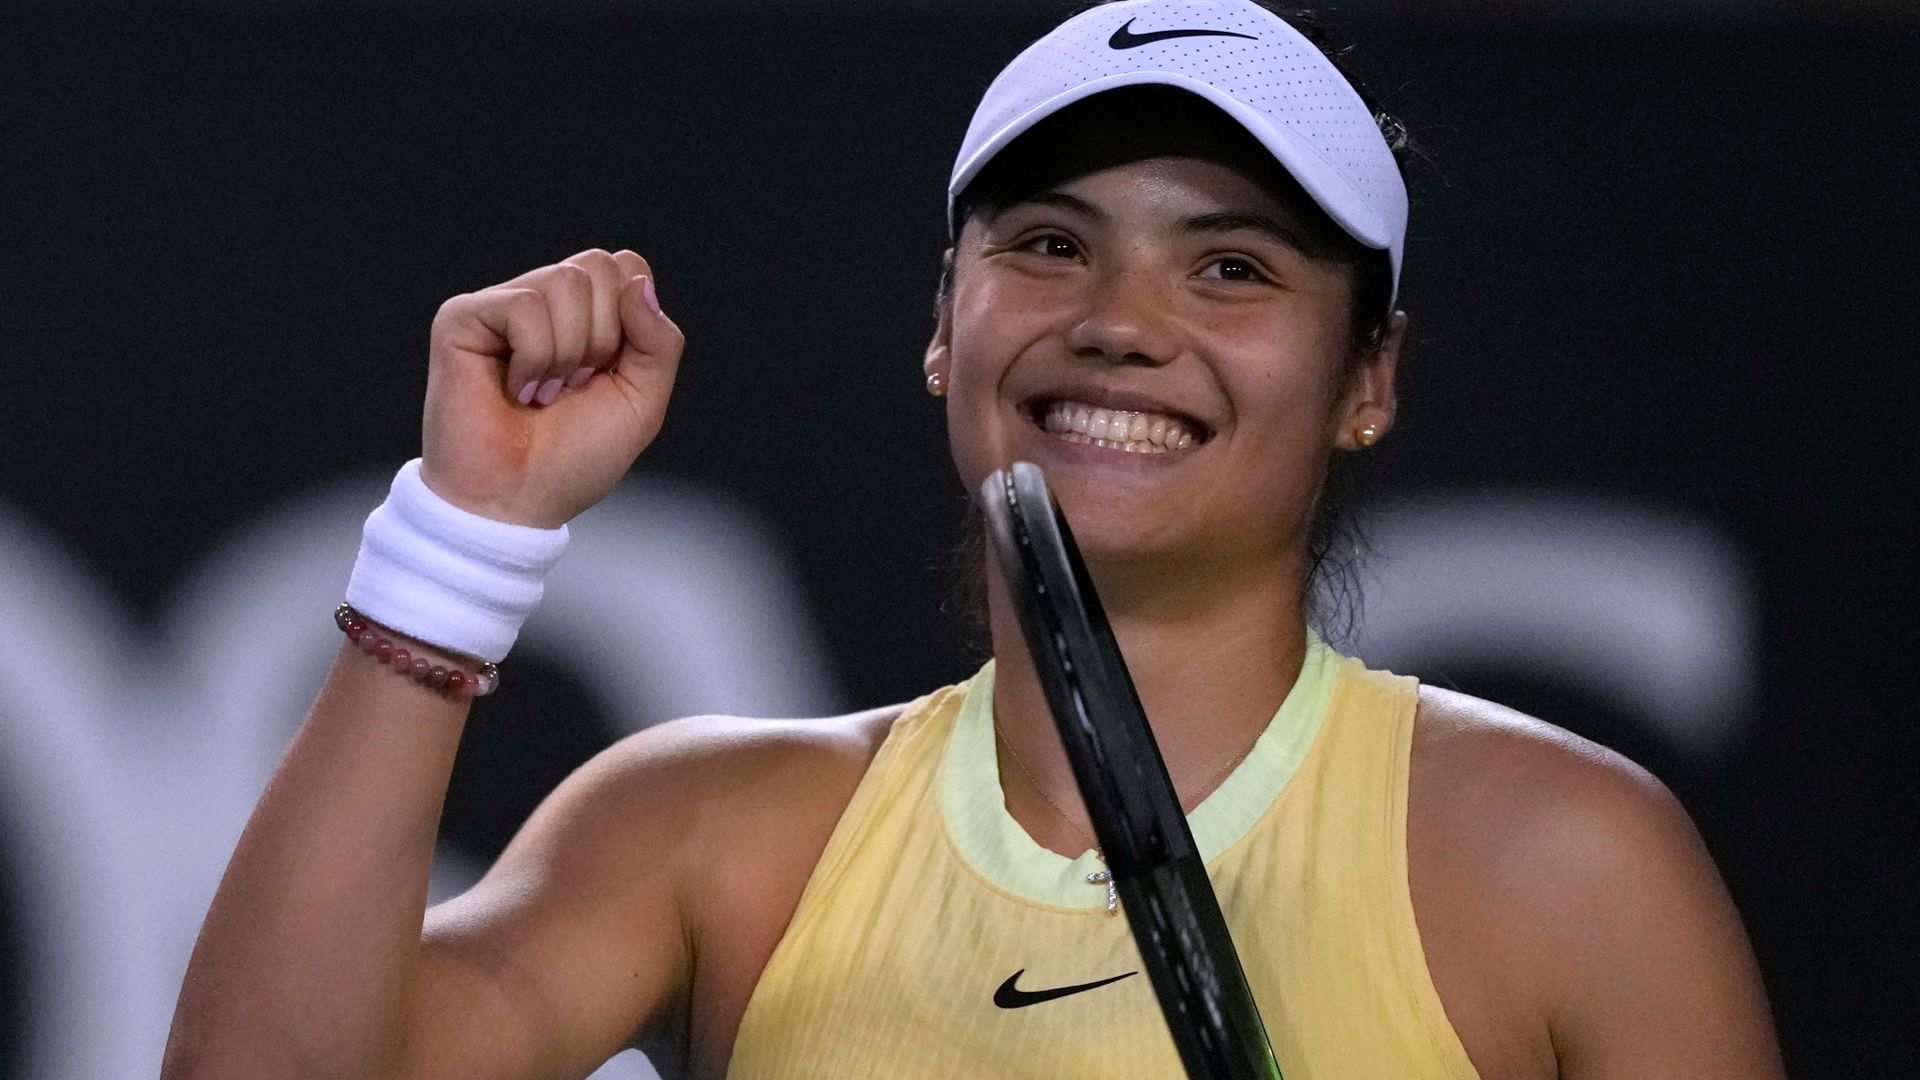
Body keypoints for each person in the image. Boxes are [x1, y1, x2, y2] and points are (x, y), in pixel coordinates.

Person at [161, 1, 1786, 1077]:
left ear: (1370, 378)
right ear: (947, 325)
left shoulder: (1564, 864)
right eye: (1051, 245)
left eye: (1230, 268)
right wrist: (464, 537)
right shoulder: (713, 833)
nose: (1120, 323)